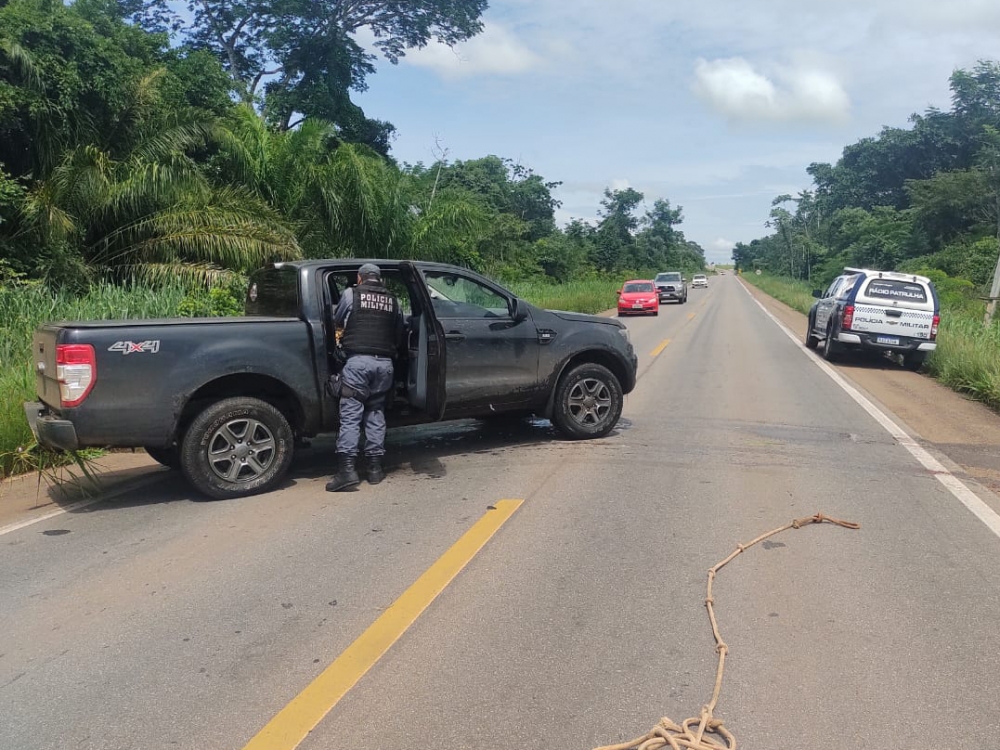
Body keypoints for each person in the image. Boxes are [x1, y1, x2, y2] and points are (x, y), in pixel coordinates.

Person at [326, 263, 405, 492]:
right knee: (375, 411)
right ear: (380, 279)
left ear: (359, 279)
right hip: (384, 365)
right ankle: (374, 469)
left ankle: (347, 472)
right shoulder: (393, 299)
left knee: (351, 415)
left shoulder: (351, 294)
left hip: (358, 363)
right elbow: (398, 331)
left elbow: (337, 322)